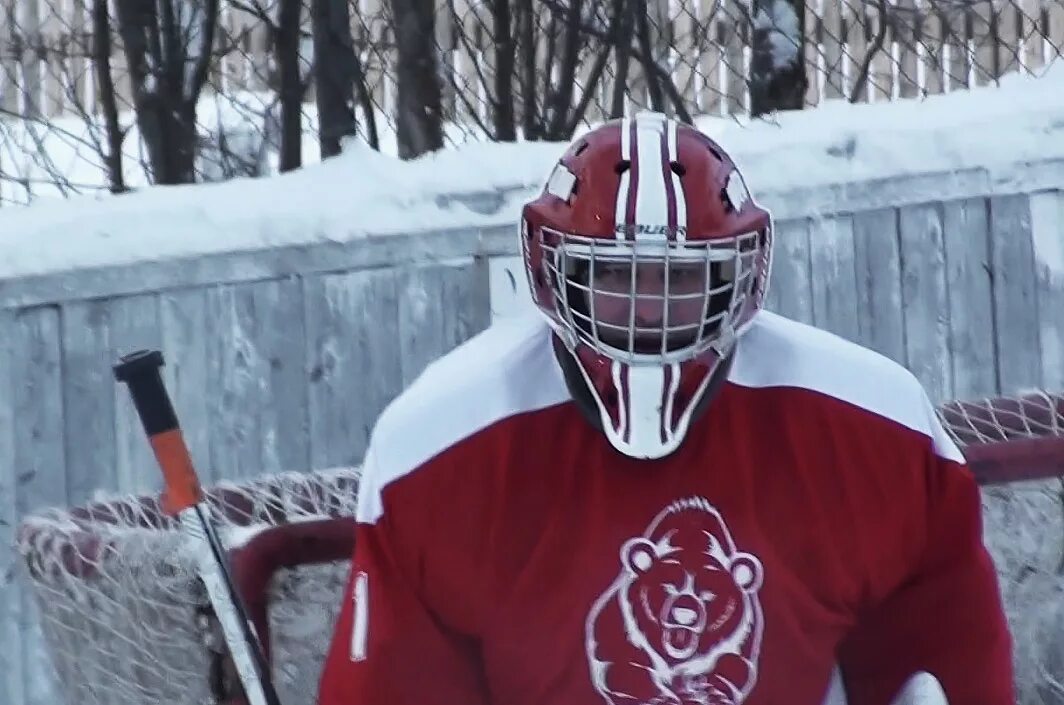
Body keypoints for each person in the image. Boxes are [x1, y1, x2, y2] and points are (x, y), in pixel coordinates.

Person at [317, 110, 1013, 705]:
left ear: (737, 276)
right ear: (553, 271)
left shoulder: (874, 434)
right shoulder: (441, 452)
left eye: (681, 278)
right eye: (616, 273)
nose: (648, 308)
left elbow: (944, 673)